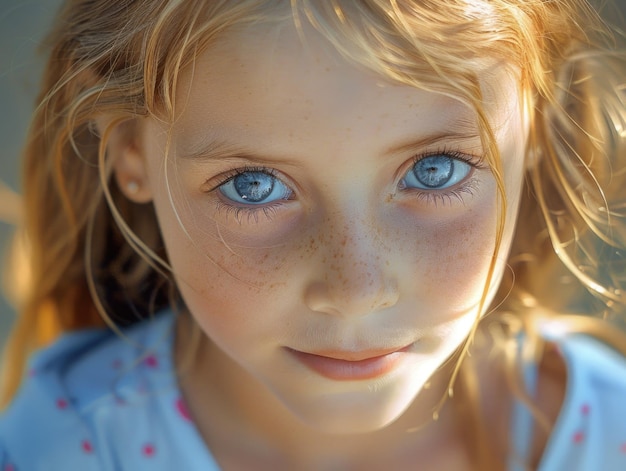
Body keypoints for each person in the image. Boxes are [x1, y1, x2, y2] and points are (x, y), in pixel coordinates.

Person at [1, 0, 625, 469]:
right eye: (254, 185)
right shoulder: (66, 447)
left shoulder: (606, 435)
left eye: (435, 171)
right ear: (129, 153)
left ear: (538, 127)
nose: (356, 289)